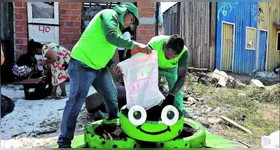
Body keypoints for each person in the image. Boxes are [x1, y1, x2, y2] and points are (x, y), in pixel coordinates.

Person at [57, 3, 151, 148]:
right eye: (131, 20)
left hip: (99, 68)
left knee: (111, 95)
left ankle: (115, 128)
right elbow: (110, 37)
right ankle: (64, 142)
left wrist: (113, 65)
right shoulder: (109, 14)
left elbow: (105, 51)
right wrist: (136, 45)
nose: (129, 25)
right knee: (75, 102)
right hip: (82, 64)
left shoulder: (117, 30)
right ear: (124, 12)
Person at [147, 34, 189, 111]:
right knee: (150, 89)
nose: (170, 58)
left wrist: (171, 96)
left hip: (172, 68)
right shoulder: (153, 45)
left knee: (176, 91)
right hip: (154, 67)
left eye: (174, 56)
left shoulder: (184, 53)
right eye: (169, 54)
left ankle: (178, 111)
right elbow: (145, 65)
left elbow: (182, 77)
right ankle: (150, 110)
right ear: (165, 46)